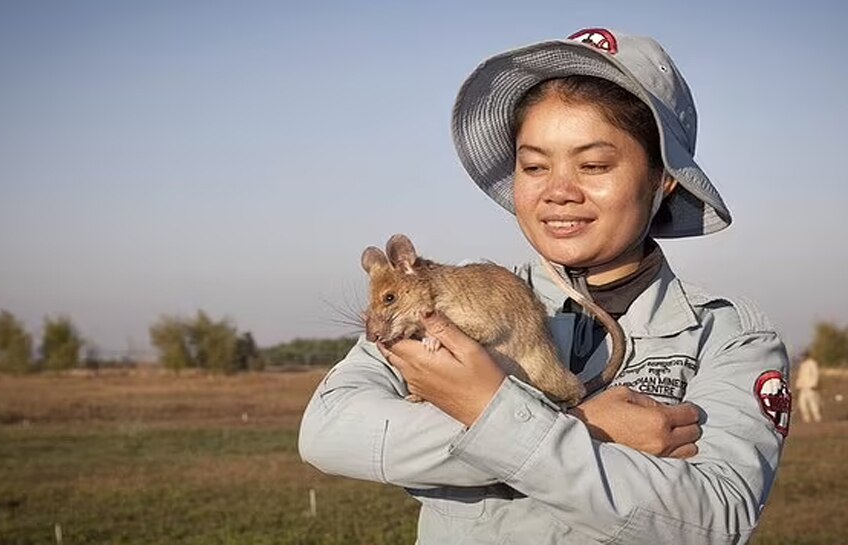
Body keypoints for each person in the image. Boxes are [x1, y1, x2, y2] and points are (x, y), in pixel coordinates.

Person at [299, 27, 791, 544]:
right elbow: (328, 433)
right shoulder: (446, 302)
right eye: (534, 165)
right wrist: (580, 427)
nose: (558, 191)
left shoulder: (728, 336)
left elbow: (714, 518)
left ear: (663, 179)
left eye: (594, 164)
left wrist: (489, 418)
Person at [795, 352, 822, 423]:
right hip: (803, 387)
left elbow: (816, 374)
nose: (802, 358)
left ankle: (817, 417)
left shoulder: (812, 363)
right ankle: (806, 419)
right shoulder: (802, 365)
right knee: (802, 403)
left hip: (810, 386)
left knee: (813, 403)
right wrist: (798, 385)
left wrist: (814, 384)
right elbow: (800, 376)